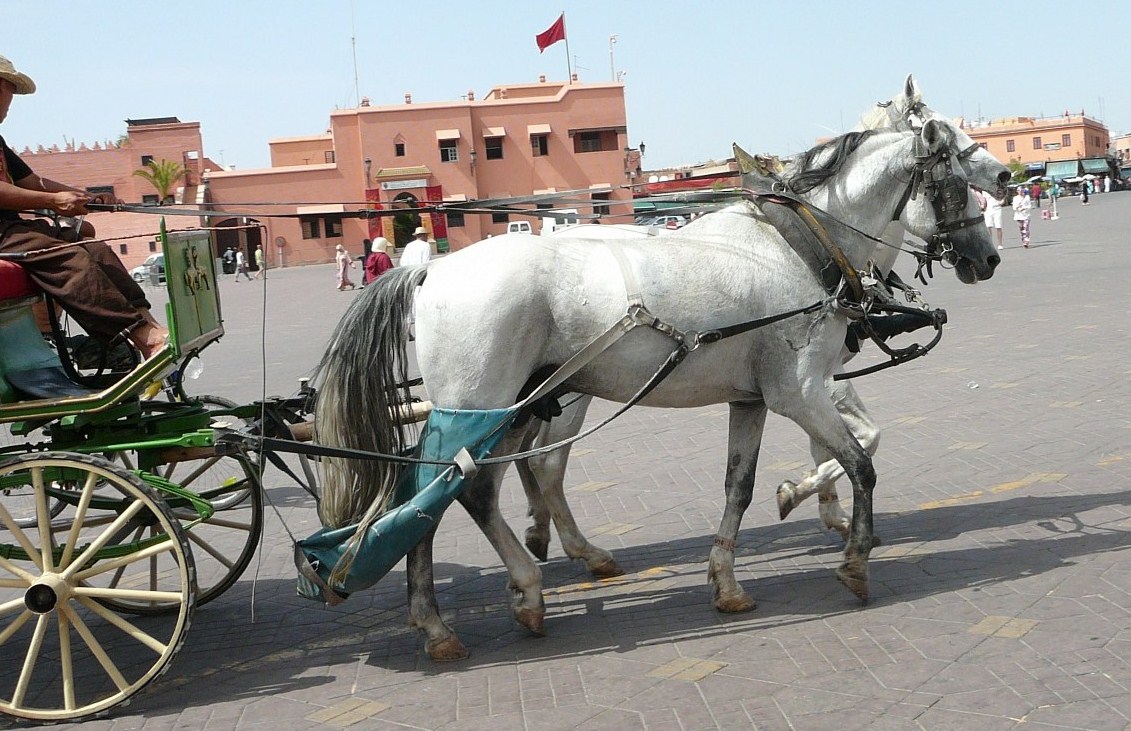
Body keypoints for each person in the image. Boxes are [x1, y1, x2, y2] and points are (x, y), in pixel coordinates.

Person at [0, 55, 168, 360]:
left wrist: (85, 198)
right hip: (3, 234)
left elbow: (32, 181)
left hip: (13, 230)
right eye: (5, 92)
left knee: (92, 246)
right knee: (68, 258)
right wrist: (54, 202)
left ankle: (150, 328)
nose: (8, 104)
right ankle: (141, 339)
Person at [977, 186, 1005, 250]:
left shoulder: (998, 190)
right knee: (988, 227)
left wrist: (1001, 202)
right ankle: (990, 244)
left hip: (997, 209)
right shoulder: (985, 191)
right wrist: (982, 208)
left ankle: (1000, 244)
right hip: (988, 210)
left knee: (998, 226)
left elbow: (1003, 197)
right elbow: (983, 200)